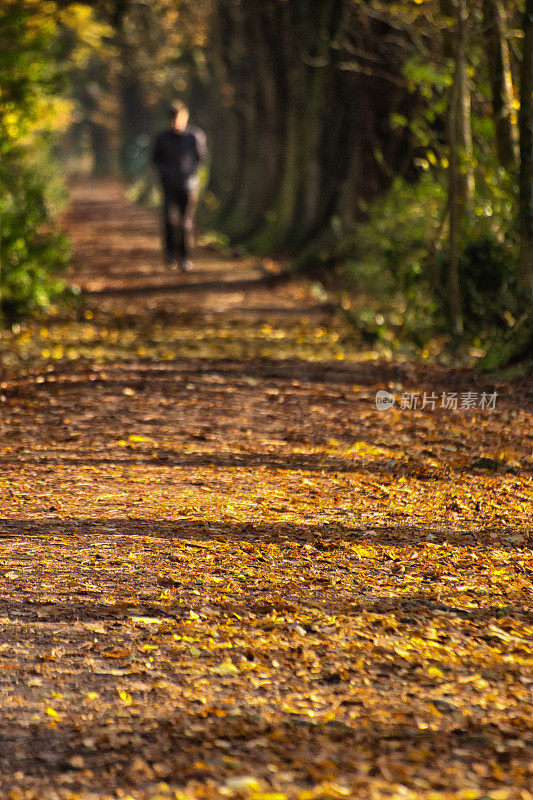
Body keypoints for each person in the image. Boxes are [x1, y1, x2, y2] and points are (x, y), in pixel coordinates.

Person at [152, 100, 207, 271]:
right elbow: (156, 160)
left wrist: (191, 175)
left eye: (180, 118)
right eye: (173, 119)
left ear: (186, 117)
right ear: (169, 120)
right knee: (169, 220)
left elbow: (200, 159)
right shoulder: (162, 138)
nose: (177, 122)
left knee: (186, 223)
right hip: (169, 186)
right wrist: (166, 174)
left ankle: (184, 258)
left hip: (188, 187)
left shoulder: (195, 137)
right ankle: (170, 256)